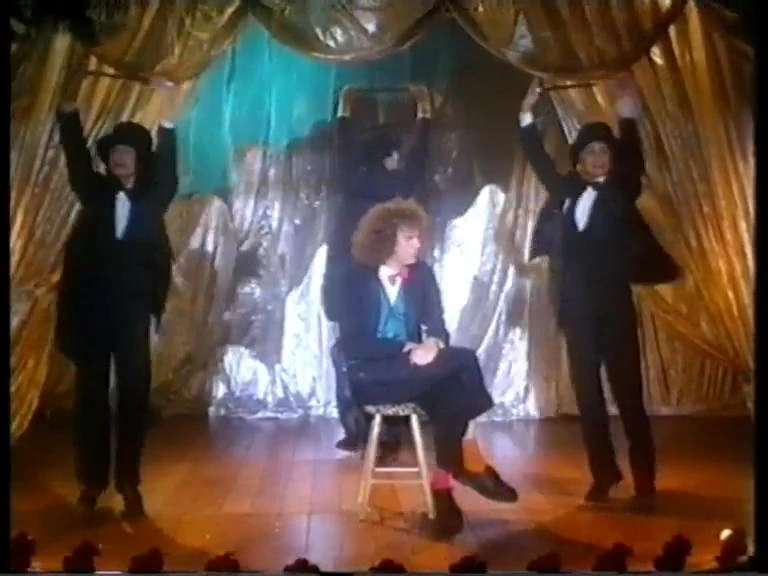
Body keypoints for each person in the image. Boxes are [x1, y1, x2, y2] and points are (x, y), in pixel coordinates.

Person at [519, 74, 679, 513]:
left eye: (604, 151)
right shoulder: (566, 190)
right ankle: (603, 475)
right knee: (589, 401)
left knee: (629, 398)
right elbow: (537, 158)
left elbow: (634, 157)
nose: (597, 157)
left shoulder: (622, 191)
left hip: (615, 313)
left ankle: (644, 479)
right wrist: (527, 113)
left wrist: (627, 110)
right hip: (576, 314)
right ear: (579, 159)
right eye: (590, 151)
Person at [338, 198, 518, 540]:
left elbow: (437, 325)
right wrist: (407, 348)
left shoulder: (422, 274)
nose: (418, 244)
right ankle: (469, 462)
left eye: (418, 237)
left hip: (413, 372)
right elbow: (353, 344)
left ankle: (445, 503)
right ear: (386, 240)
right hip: (371, 374)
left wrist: (433, 343)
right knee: (464, 360)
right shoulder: (354, 279)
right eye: (409, 238)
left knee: (451, 399)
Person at [55, 101, 177, 520]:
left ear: (140, 160)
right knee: (89, 401)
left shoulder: (153, 199)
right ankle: (91, 483)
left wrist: (168, 123)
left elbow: (168, 173)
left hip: (132, 316)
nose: (119, 157)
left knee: (133, 400)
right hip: (92, 314)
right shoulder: (95, 193)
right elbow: (76, 162)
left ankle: (129, 483)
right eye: (114, 151)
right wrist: (69, 117)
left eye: (127, 151)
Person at [324, 85, 431, 453]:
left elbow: (343, 149)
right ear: (389, 157)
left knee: (350, 352)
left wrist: (344, 109)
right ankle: (389, 426)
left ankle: (361, 428)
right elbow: (418, 161)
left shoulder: (352, 180)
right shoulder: (395, 185)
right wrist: (424, 113)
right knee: (387, 344)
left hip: (351, 278)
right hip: (369, 278)